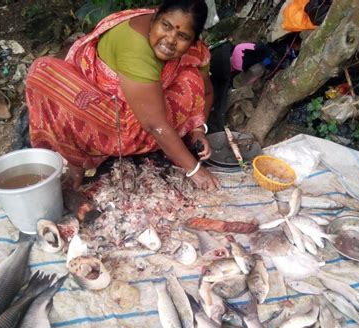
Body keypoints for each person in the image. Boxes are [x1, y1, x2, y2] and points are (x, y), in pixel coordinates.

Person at [25, 0, 219, 191]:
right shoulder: (136, 48)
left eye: (182, 36)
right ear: (154, 18)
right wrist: (194, 170)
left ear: (194, 41)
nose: (169, 39)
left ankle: (171, 141)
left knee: (191, 78)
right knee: (43, 71)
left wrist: (198, 129)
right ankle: (75, 157)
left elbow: (207, 90)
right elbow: (154, 125)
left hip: (146, 103)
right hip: (110, 110)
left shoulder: (195, 51)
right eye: (165, 26)